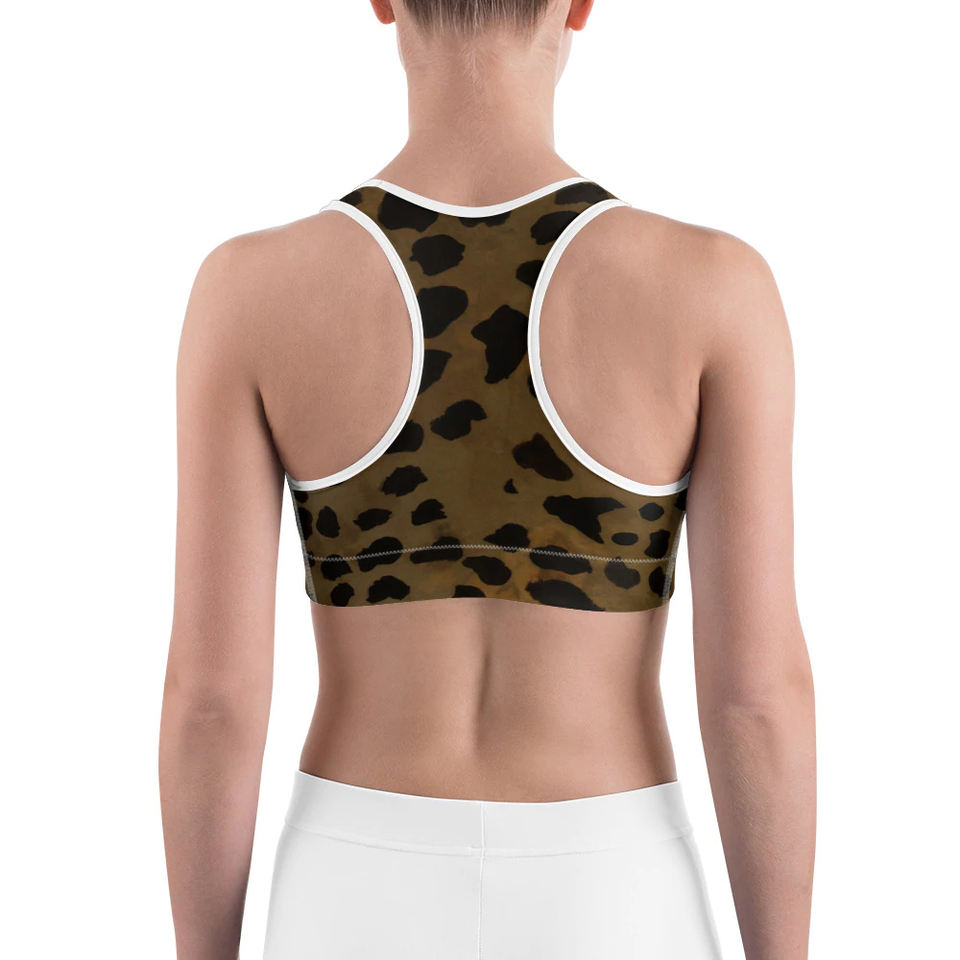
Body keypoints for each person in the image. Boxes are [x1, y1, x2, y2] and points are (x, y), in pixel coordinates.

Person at [159, 1, 816, 958]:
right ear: (580, 5)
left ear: (381, 2)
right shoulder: (713, 287)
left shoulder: (250, 291)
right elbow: (758, 699)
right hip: (610, 883)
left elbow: (211, 703)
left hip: (355, 882)